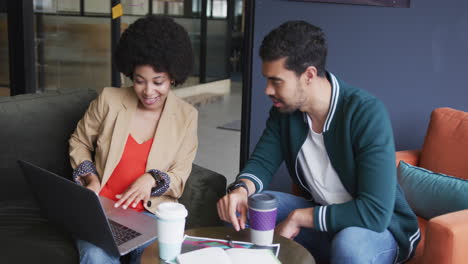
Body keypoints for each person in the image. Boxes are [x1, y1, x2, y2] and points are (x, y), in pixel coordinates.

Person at [217, 20, 420, 264]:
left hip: (379, 231)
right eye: (266, 80)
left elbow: (375, 213)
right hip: (325, 218)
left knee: (350, 245)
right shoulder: (285, 112)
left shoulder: (365, 112)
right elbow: (262, 161)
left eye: (277, 81)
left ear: (309, 75)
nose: (267, 90)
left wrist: (299, 217)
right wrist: (240, 190)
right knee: (246, 209)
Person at [69, 15, 198, 264]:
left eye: (158, 82)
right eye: (139, 81)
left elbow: (180, 174)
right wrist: (91, 180)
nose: (148, 92)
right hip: (101, 212)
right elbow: (79, 142)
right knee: (95, 257)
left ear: (173, 76)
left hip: (150, 217)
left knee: (160, 259)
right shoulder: (109, 100)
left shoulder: (187, 116)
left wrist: (151, 179)